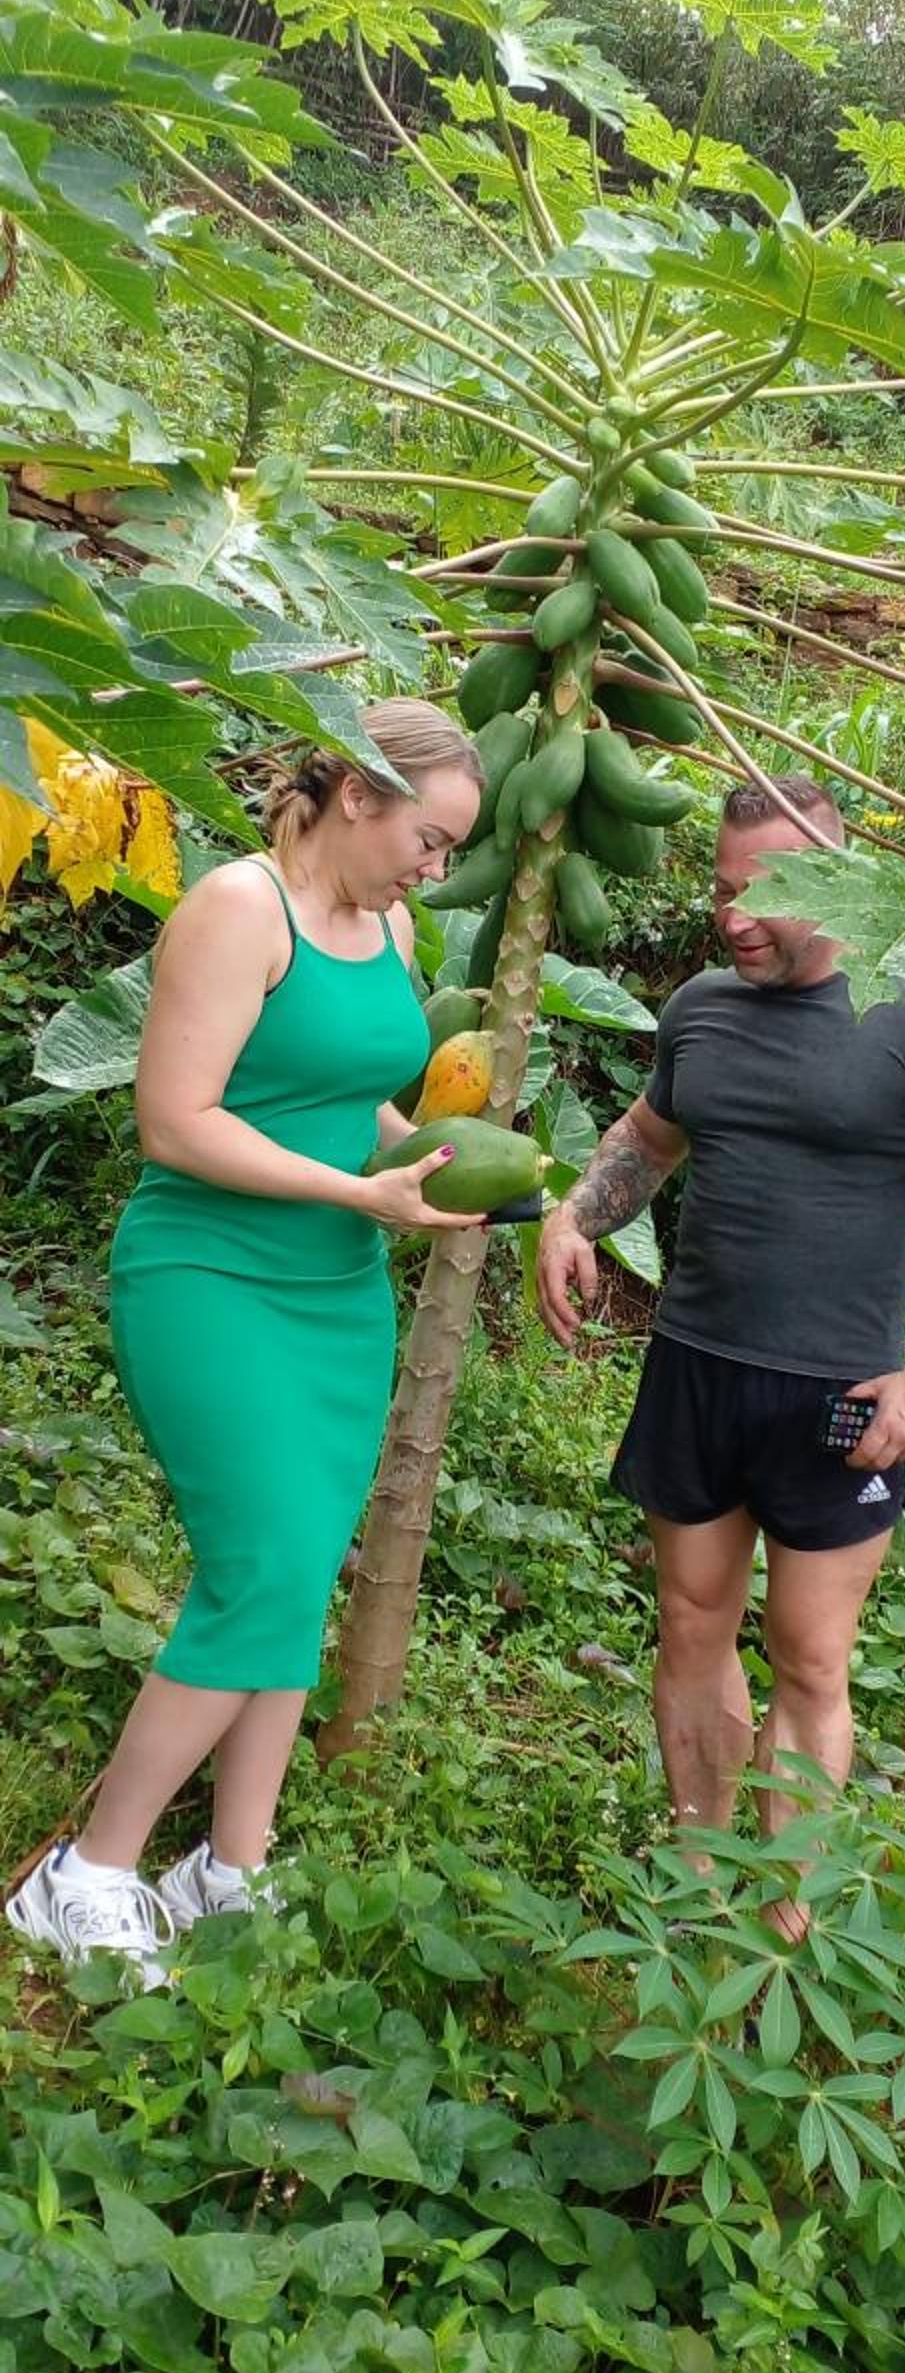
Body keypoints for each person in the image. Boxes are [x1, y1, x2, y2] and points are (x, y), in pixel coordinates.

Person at [8, 698, 485, 1984]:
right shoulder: (238, 907)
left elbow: (349, 1093)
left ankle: (230, 1867)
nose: (434, 870)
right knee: (261, 1566)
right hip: (211, 1278)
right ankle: (85, 1873)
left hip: (338, 1294)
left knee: (300, 1569)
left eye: (450, 852)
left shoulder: (386, 924)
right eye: (429, 840)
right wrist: (361, 1195)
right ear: (356, 795)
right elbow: (178, 1120)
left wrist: (430, 1161)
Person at [537, 776, 905, 1935]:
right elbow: (648, 1137)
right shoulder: (701, 1009)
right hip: (695, 1368)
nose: (732, 918)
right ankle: (696, 1884)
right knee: (689, 1624)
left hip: (840, 1397)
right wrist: (575, 1218)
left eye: (761, 893)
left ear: (838, 875)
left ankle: (784, 1922)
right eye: (720, 890)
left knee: (811, 1661)